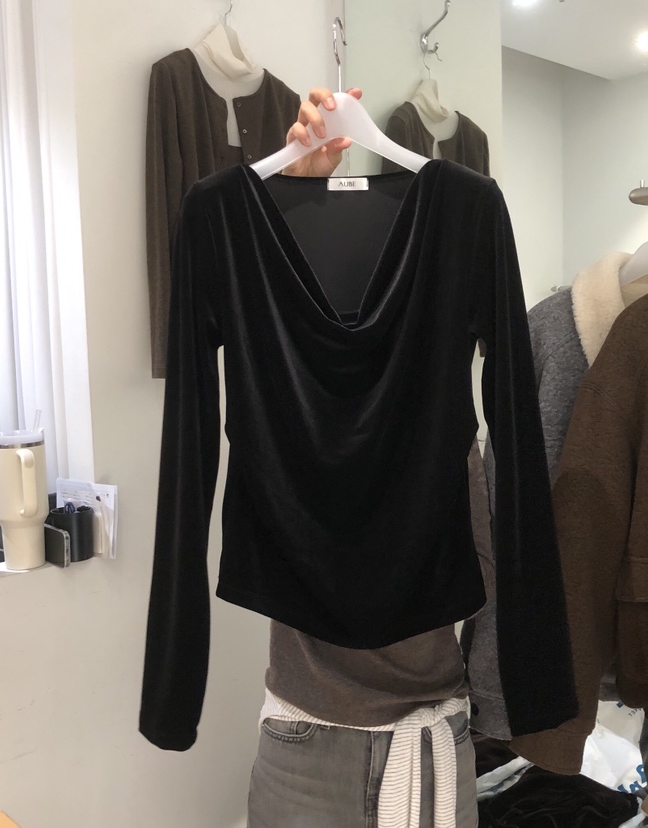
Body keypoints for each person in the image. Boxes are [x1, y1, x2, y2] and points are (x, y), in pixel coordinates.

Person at [245, 86, 482, 828]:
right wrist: (293, 199)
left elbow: (497, 559)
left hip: (426, 735)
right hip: (314, 731)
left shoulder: (447, 410)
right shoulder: (284, 378)